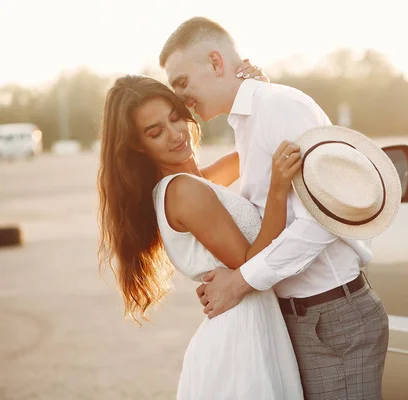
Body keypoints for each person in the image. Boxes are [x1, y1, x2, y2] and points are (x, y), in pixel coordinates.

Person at [160, 17, 390, 399]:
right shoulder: (249, 120)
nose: (182, 101)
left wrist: (242, 280)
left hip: (332, 316)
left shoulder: (279, 106)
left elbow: (323, 218)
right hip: (300, 317)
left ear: (216, 63)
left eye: (182, 83)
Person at [97, 72, 305, 399]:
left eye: (175, 117)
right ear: (137, 144)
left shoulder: (198, 183)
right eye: (155, 132)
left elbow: (256, 149)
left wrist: (259, 95)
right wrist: (278, 190)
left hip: (250, 326)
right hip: (241, 338)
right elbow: (251, 263)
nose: (175, 134)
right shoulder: (182, 192)